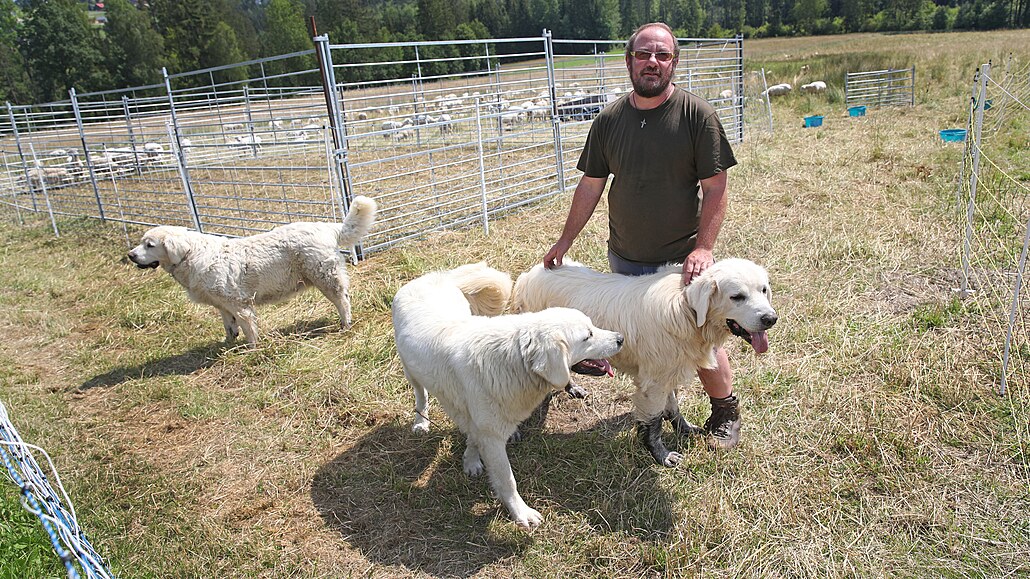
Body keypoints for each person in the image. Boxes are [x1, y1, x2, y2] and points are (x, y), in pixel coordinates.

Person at [542, 22, 742, 450]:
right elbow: (591, 185)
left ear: (674, 62)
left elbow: (716, 187)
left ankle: (725, 410)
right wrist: (565, 242)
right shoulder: (610, 119)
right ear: (629, 59)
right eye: (644, 54)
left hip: (682, 264)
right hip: (627, 261)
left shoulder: (696, 116)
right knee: (643, 346)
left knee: (700, 339)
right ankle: (661, 409)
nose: (653, 62)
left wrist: (704, 248)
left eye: (663, 55)